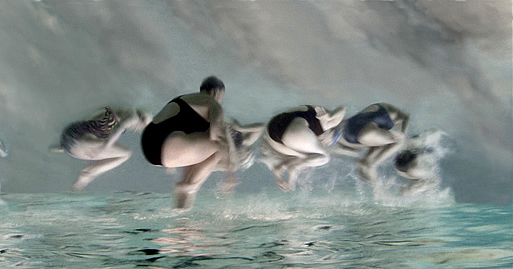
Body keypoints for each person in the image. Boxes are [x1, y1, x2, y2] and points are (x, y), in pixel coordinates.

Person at [141, 76, 264, 210]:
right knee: (219, 143)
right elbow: (217, 138)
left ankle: (183, 208)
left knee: (203, 151)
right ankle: (189, 187)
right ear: (219, 93)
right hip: (166, 145)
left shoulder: (188, 100)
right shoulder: (213, 104)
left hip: (150, 144)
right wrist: (231, 172)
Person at [51, 106, 152, 191]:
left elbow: (86, 122)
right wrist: (105, 146)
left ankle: (86, 170)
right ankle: (88, 173)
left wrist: (64, 146)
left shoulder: (115, 112)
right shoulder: (132, 115)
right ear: (141, 119)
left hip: (70, 139)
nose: (135, 130)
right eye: (138, 128)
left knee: (112, 150)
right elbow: (119, 128)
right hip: (79, 142)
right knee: (126, 153)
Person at [260, 105, 347, 191]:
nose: (324, 143)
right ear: (332, 133)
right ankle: (292, 168)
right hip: (288, 131)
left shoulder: (310, 129)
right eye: (330, 142)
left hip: (272, 128)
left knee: (304, 156)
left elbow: (292, 150)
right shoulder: (327, 123)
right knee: (325, 157)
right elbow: (343, 108)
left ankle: (285, 170)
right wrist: (329, 116)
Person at [332, 103, 410, 186]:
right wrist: (403, 134)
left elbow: (405, 116)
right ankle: (373, 168)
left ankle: (373, 182)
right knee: (399, 141)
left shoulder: (384, 109)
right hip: (364, 133)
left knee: (372, 154)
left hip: (347, 128)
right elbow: (406, 117)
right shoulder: (391, 117)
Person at [394, 129, 448, 195]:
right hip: (414, 169)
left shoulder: (408, 142)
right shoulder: (427, 139)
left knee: (421, 178)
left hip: (399, 169)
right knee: (434, 180)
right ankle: (410, 190)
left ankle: (409, 189)